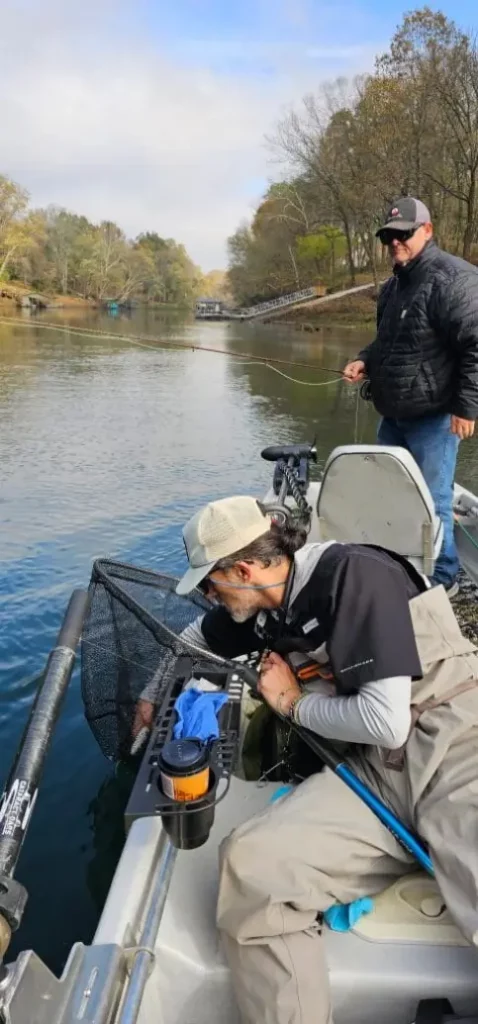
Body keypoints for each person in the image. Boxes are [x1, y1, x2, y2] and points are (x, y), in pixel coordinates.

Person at [136, 494, 478, 1024]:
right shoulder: (262, 608)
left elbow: (385, 720)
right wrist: (151, 695)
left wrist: (292, 704)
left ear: (244, 570)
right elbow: (194, 638)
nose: (209, 597)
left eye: (210, 583)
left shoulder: (354, 576)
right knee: (252, 866)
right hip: (375, 772)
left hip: (456, 742)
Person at [343, 196, 478, 597]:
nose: (395, 242)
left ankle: (444, 579)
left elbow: (475, 346)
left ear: (427, 230)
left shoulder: (455, 279)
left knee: (433, 500)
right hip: (394, 416)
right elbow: (388, 342)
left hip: (435, 417)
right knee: (390, 494)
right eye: (389, 236)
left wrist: (467, 407)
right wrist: (364, 360)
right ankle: (401, 565)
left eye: (404, 234)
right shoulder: (393, 287)